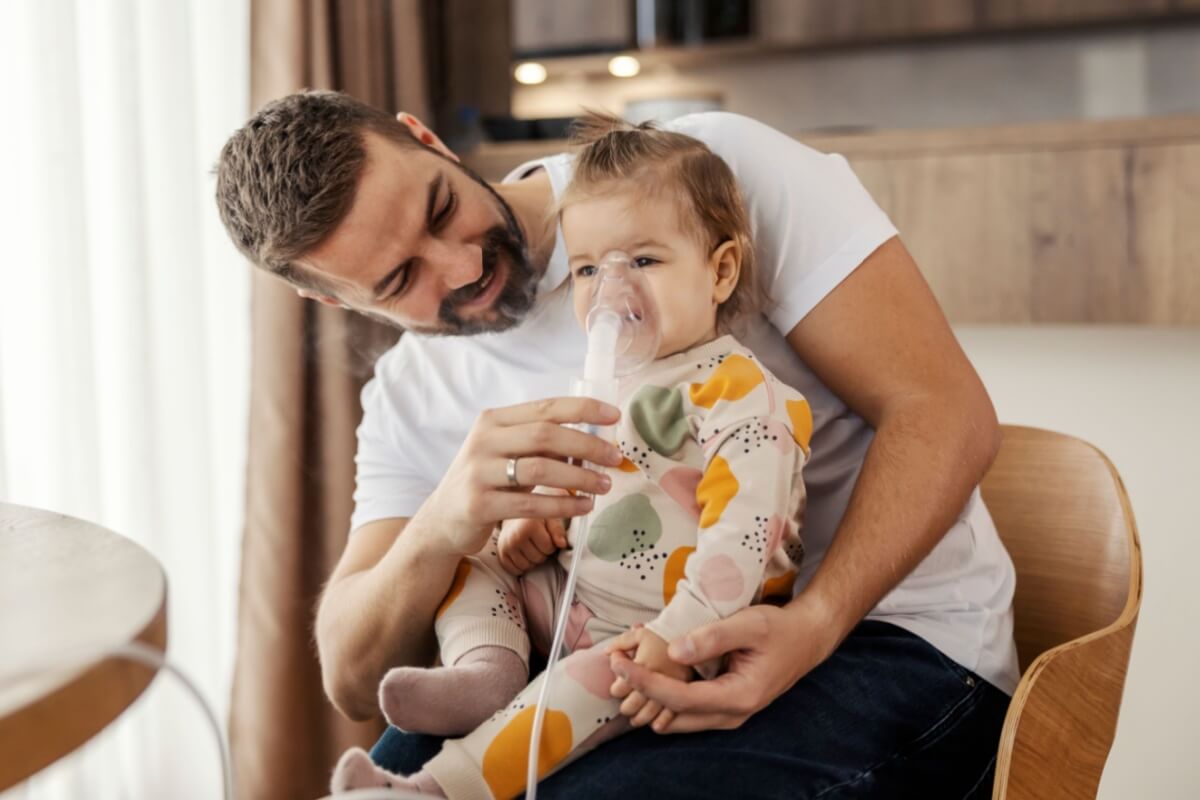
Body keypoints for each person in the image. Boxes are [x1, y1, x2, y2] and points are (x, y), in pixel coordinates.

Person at [215, 90, 1019, 797]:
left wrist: (812, 627)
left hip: (893, 642)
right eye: (399, 280)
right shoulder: (410, 396)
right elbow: (353, 677)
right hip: (606, 653)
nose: (461, 266)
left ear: (427, 139)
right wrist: (447, 519)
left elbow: (944, 410)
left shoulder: (699, 177)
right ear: (325, 296)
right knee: (403, 773)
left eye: (437, 210)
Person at [329, 114, 813, 798]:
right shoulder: (609, 383)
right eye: (588, 269)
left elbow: (746, 541)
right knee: (465, 561)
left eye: (642, 261)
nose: (611, 291)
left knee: (568, 697)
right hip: (572, 595)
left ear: (721, 270)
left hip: (655, 631)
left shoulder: (740, 396)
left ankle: (433, 790)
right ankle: (484, 668)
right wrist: (533, 528)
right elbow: (586, 490)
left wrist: (678, 639)